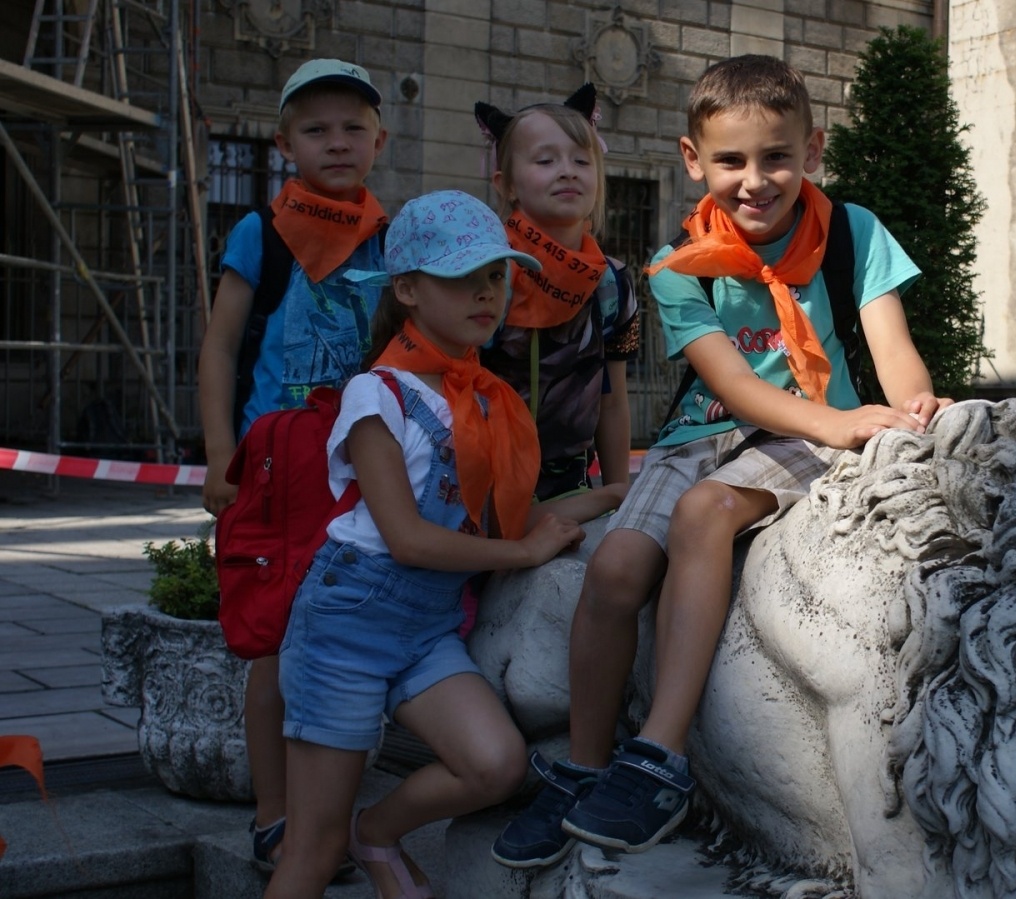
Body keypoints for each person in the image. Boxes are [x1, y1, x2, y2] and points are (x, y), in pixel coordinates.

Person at [492, 54, 951, 869]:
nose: (755, 179)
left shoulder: (855, 232)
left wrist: (911, 407)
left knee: (707, 512)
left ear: (811, 152)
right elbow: (733, 387)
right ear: (692, 160)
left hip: (808, 433)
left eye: (776, 156)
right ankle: (586, 764)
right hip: (715, 428)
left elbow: (894, 352)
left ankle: (658, 756)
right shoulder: (675, 265)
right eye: (731, 160)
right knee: (616, 568)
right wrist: (837, 421)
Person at [263, 190, 619, 899]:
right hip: (348, 620)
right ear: (407, 291)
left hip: (427, 627)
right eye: (463, 278)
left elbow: (508, 521)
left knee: (496, 764)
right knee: (310, 846)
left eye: (495, 276)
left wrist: (617, 495)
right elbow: (409, 537)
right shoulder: (376, 395)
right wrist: (524, 554)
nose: (486, 293)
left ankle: (380, 829)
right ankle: (350, 836)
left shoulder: (487, 400)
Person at [196, 57, 389, 877]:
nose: (336, 143)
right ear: (283, 144)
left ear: (379, 140)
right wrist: (217, 459)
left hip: (363, 462)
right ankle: (277, 816)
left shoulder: (391, 233)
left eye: (352, 128)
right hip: (276, 465)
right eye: (316, 129)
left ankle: (330, 813)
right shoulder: (260, 233)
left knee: (348, 636)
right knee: (275, 642)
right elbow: (219, 348)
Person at [474, 84, 641, 501]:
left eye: (581, 160)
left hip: (573, 486)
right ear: (506, 184)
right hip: (484, 483)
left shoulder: (613, 284)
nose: (567, 170)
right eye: (546, 160)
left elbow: (614, 401)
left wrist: (618, 493)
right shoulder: (488, 275)